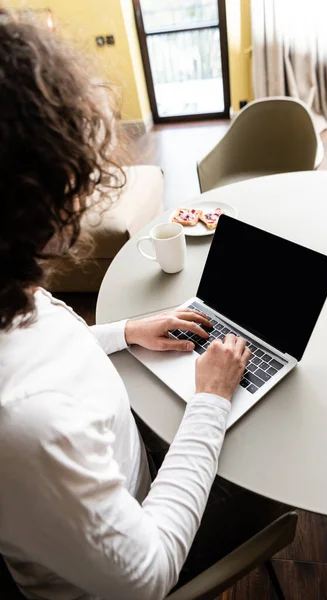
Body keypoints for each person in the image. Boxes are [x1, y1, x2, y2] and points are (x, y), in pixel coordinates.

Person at [0, 11, 289, 600]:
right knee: (277, 470)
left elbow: (44, 343)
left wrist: (128, 330)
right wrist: (208, 401)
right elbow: (149, 577)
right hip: (140, 530)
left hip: (115, 470)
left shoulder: (11, 290)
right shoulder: (23, 426)